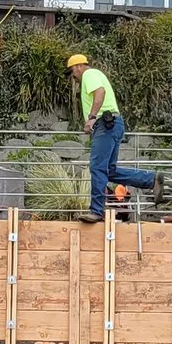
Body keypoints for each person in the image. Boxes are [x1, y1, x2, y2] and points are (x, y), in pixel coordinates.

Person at [66, 53, 155, 220]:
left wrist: (91, 118)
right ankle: (151, 180)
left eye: (72, 72)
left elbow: (100, 92)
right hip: (112, 124)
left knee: (97, 168)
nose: (73, 77)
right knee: (109, 171)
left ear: (78, 66)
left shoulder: (89, 74)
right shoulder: (95, 74)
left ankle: (96, 211)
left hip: (105, 124)